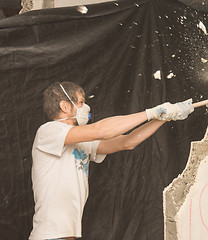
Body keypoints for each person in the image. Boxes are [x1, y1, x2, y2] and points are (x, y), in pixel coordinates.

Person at [29, 81, 194, 240]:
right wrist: (151, 113)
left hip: (64, 235)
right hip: (49, 235)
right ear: (64, 106)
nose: (86, 108)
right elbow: (100, 130)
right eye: (81, 102)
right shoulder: (49, 131)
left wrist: (163, 117)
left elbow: (127, 142)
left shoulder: (81, 141)